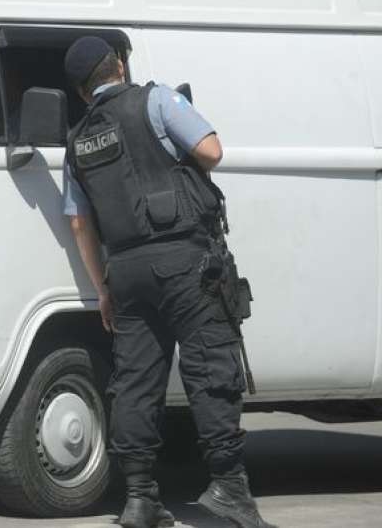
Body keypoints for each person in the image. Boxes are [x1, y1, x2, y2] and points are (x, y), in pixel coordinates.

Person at [61, 36, 274, 528]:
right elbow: (212, 151)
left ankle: (140, 498)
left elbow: (78, 223)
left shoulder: (77, 140)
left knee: (135, 382)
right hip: (184, 261)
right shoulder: (156, 100)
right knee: (210, 366)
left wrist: (103, 291)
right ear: (119, 65)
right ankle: (229, 487)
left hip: (128, 274)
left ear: (81, 91)